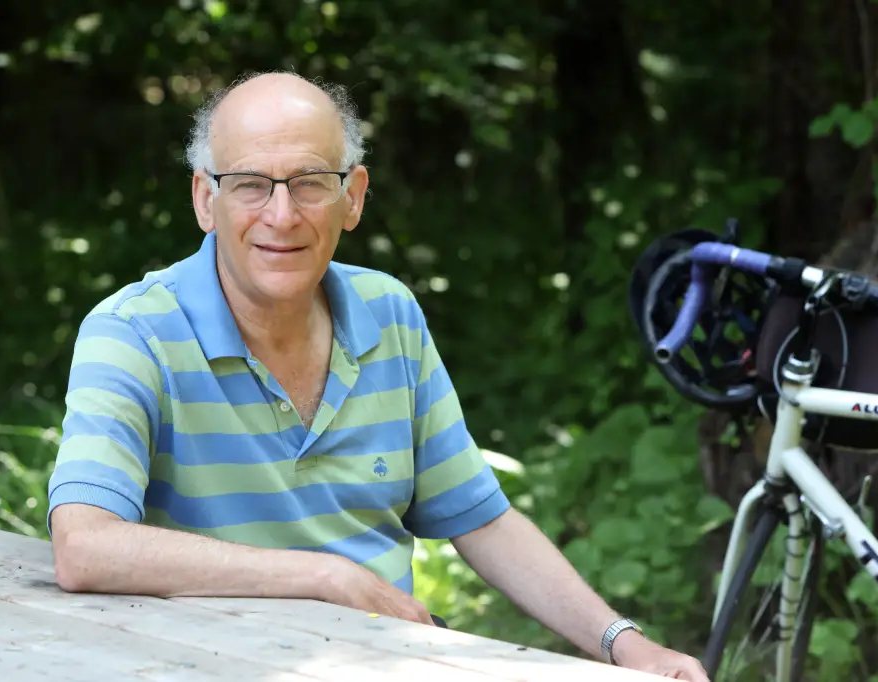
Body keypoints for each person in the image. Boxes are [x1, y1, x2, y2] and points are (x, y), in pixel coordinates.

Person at [46, 70, 709, 681]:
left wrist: (622, 643)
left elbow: (482, 520)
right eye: (251, 184)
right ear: (204, 199)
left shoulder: (388, 313)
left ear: (352, 197)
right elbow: (86, 546)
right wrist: (323, 577)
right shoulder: (133, 332)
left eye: (309, 181)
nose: (281, 215)